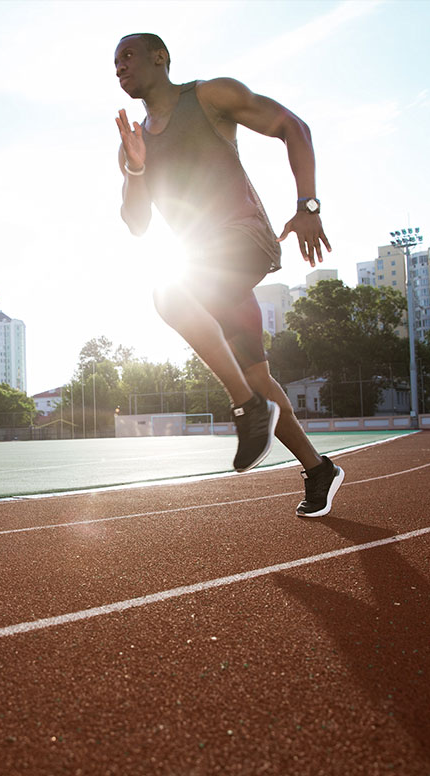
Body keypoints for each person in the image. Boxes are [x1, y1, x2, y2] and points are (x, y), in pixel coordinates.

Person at [114, 33, 344, 517]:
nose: (119, 67)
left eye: (128, 56)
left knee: (168, 293)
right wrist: (136, 169)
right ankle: (317, 467)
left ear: (161, 58)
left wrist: (308, 206)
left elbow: (293, 127)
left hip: (243, 239)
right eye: (114, 63)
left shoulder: (211, 96)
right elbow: (138, 225)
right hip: (209, 268)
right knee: (259, 377)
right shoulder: (135, 142)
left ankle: (246, 409)